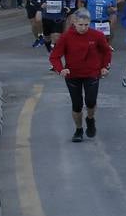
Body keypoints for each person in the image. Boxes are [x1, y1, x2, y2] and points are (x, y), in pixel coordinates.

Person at [48, 10, 112, 143]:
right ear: (74, 23)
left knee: (90, 101)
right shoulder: (66, 37)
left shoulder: (97, 35)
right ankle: (78, 129)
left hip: (92, 73)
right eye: (81, 25)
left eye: (86, 25)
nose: (83, 28)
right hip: (73, 75)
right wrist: (61, 69)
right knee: (77, 104)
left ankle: (90, 119)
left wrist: (105, 67)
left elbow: (106, 51)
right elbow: (54, 56)